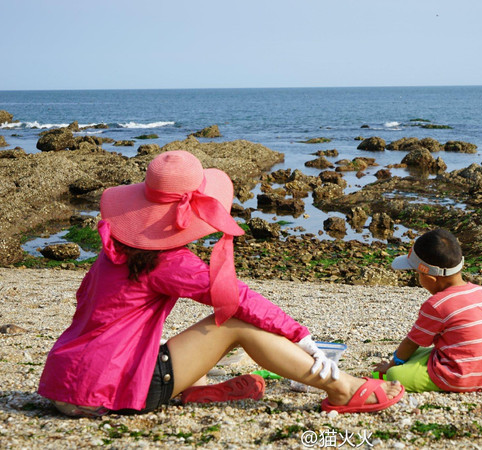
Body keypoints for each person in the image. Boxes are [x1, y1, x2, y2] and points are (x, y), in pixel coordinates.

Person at [38, 150, 404, 417]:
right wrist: (299, 335)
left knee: (182, 331)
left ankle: (189, 391)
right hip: (106, 390)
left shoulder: (113, 250)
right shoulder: (167, 261)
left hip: (66, 379)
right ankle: (343, 388)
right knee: (233, 322)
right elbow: (236, 299)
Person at [374, 228, 482, 393]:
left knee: (395, 373)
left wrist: (390, 365)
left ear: (429, 277)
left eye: (417, 274)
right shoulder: (481, 292)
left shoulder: (437, 304)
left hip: (454, 377)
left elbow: (411, 342)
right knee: (417, 352)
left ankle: (405, 373)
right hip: (481, 372)